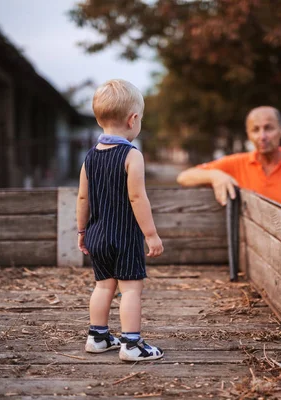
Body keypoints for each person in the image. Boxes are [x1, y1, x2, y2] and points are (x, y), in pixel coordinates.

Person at [76, 79, 164, 362]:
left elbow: (82, 199)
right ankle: (131, 344)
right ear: (133, 119)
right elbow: (138, 199)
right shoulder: (131, 155)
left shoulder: (89, 157)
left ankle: (98, 337)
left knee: (103, 286)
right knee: (130, 290)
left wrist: (81, 231)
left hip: (97, 234)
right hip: (124, 237)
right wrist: (151, 235)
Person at [177, 106, 281, 224]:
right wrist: (215, 175)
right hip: (252, 254)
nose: (262, 136)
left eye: (268, 128)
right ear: (248, 134)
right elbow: (184, 177)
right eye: (255, 130)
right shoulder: (236, 163)